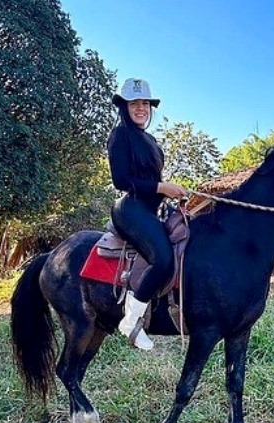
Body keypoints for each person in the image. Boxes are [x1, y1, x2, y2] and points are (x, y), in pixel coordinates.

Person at [107, 78, 187, 350]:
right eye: (134, 103)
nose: (141, 108)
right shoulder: (120, 135)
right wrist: (162, 187)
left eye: (145, 103)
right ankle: (131, 319)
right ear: (124, 107)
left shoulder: (150, 140)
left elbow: (154, 183)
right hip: (130, 209)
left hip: (151, 209)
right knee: (163, 259)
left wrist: (172, 194)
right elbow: (121, 180)